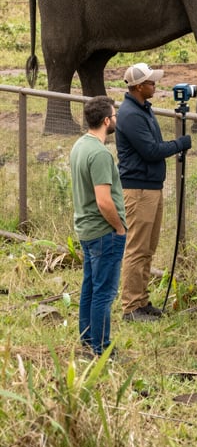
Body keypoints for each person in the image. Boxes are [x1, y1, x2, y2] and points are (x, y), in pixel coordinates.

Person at [116, 62, 192, 322]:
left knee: (148, 248)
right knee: (137, 248)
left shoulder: (142, 109)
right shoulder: (131, 114)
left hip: (150, 187)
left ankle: (142, 300)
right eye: (150, 82)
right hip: (138, 190)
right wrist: (180, 144)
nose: (155, 85)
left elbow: (154, 146)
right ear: (138, 87)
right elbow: (150, 150)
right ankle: (131, 306)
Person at [69, 96, 127, 357]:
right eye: (114, 116)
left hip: (86, 229)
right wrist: (119, 228)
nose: (115, 120)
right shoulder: (100, 154)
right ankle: (101, 349)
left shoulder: (80, 146)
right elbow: (104, 201)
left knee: (90, 287)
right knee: (104, 293)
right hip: (104, 232)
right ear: (106, 121)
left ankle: (87, 340)